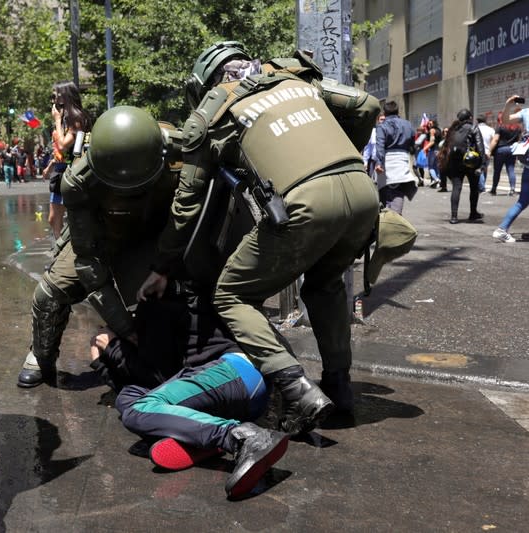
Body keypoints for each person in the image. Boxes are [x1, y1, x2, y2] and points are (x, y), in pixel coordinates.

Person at [138, 41, 381, 433]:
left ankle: (298, 390)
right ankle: (339, 386)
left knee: (232, 295)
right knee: (325, 284)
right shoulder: (293, 77)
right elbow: (366, 104)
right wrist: (341, 157)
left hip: (306, 202)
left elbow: (186, 205)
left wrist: (163, 265)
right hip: (364, 192)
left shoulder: (211, 111)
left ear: (206, 83)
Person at [16, 106, 182, 387]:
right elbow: (87, 262)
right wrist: (122, 326)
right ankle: (41, 354)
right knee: (49, 294)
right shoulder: (78, 180)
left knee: (176, 292)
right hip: (100, 234)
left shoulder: (178, 154)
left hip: (156, 234)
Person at [90, 291, 288, 500]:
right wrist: (101, 363)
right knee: (129, 400)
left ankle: (241, 438)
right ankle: (202, 439)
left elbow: (158, 375)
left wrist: (112, 347)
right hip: (241, 390)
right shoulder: (167, 293)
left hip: (237, 372)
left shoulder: (158, 302)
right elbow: (141, 387)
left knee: (137, 410)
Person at [44, 81, 91, 239]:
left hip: (71, 172)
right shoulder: (65, 118)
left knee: (71, 218)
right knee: (53, 219)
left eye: (56, 94)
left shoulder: (76, 119)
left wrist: (57, 120)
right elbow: (58, 150)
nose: (54, 99)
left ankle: (66, 250)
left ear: (65, 96)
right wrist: (50, 166)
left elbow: (64, 145)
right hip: (58, 171)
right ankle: (57, 249)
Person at [492, 95, 529, 243]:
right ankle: (501, 229)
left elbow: (505, 120)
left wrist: (508, 104)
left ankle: (502, 229)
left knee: (523, 200)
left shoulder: (526, 112)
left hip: (527, 162)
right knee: (523, 200)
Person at [441, 109, 485, 224]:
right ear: (470, 117)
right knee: (474, 188)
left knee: (456, 187)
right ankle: (473, 213)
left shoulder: (453, 129)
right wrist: (482, 163)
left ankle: (454, 216)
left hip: (455, 162)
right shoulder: (473, 128)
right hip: (470, 161)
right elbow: (480, 146)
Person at [374, 101, 418, 215]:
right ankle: (395, 219)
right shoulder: (408, 124)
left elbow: (380, 146)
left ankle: (389, 221)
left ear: (385, 112)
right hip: (402, 162)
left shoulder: (382, 126)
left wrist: (378, 163)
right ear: (398, 111)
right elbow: (413, 145)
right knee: (398, 192)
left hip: (386, 163)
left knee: (383, 195)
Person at [488, 111, 521, 196]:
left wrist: (489, 151)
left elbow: (495, 140)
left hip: (500, 150)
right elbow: (518, 140)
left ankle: (494, 189)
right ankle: (512, 189)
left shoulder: (500, 127)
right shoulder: (517, 128)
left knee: (497, 171)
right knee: (511, 169)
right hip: (512, 150)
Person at [476, 115, 495, 193]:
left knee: (479, 168)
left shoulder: (475, 128)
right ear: (485, 121)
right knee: (484, 169)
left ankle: (481, 187)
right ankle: (482, 185)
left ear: (477, 121)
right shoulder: (490, 129)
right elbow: (494, 140)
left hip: (476, 152)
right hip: (487, 152)